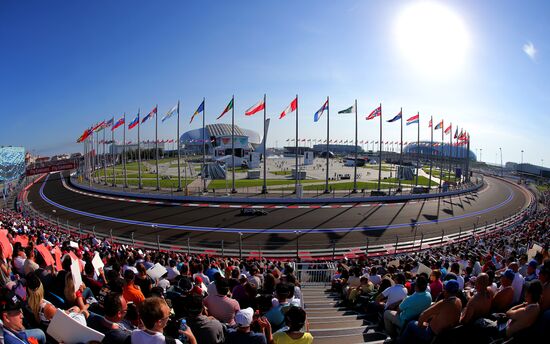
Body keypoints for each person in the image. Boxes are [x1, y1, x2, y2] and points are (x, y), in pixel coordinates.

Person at [131, 297, 196, 344]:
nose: (169, 318)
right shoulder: (173, 342)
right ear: (159, 322)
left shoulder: (134, 333)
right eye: (168, 315)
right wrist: (192, 338)